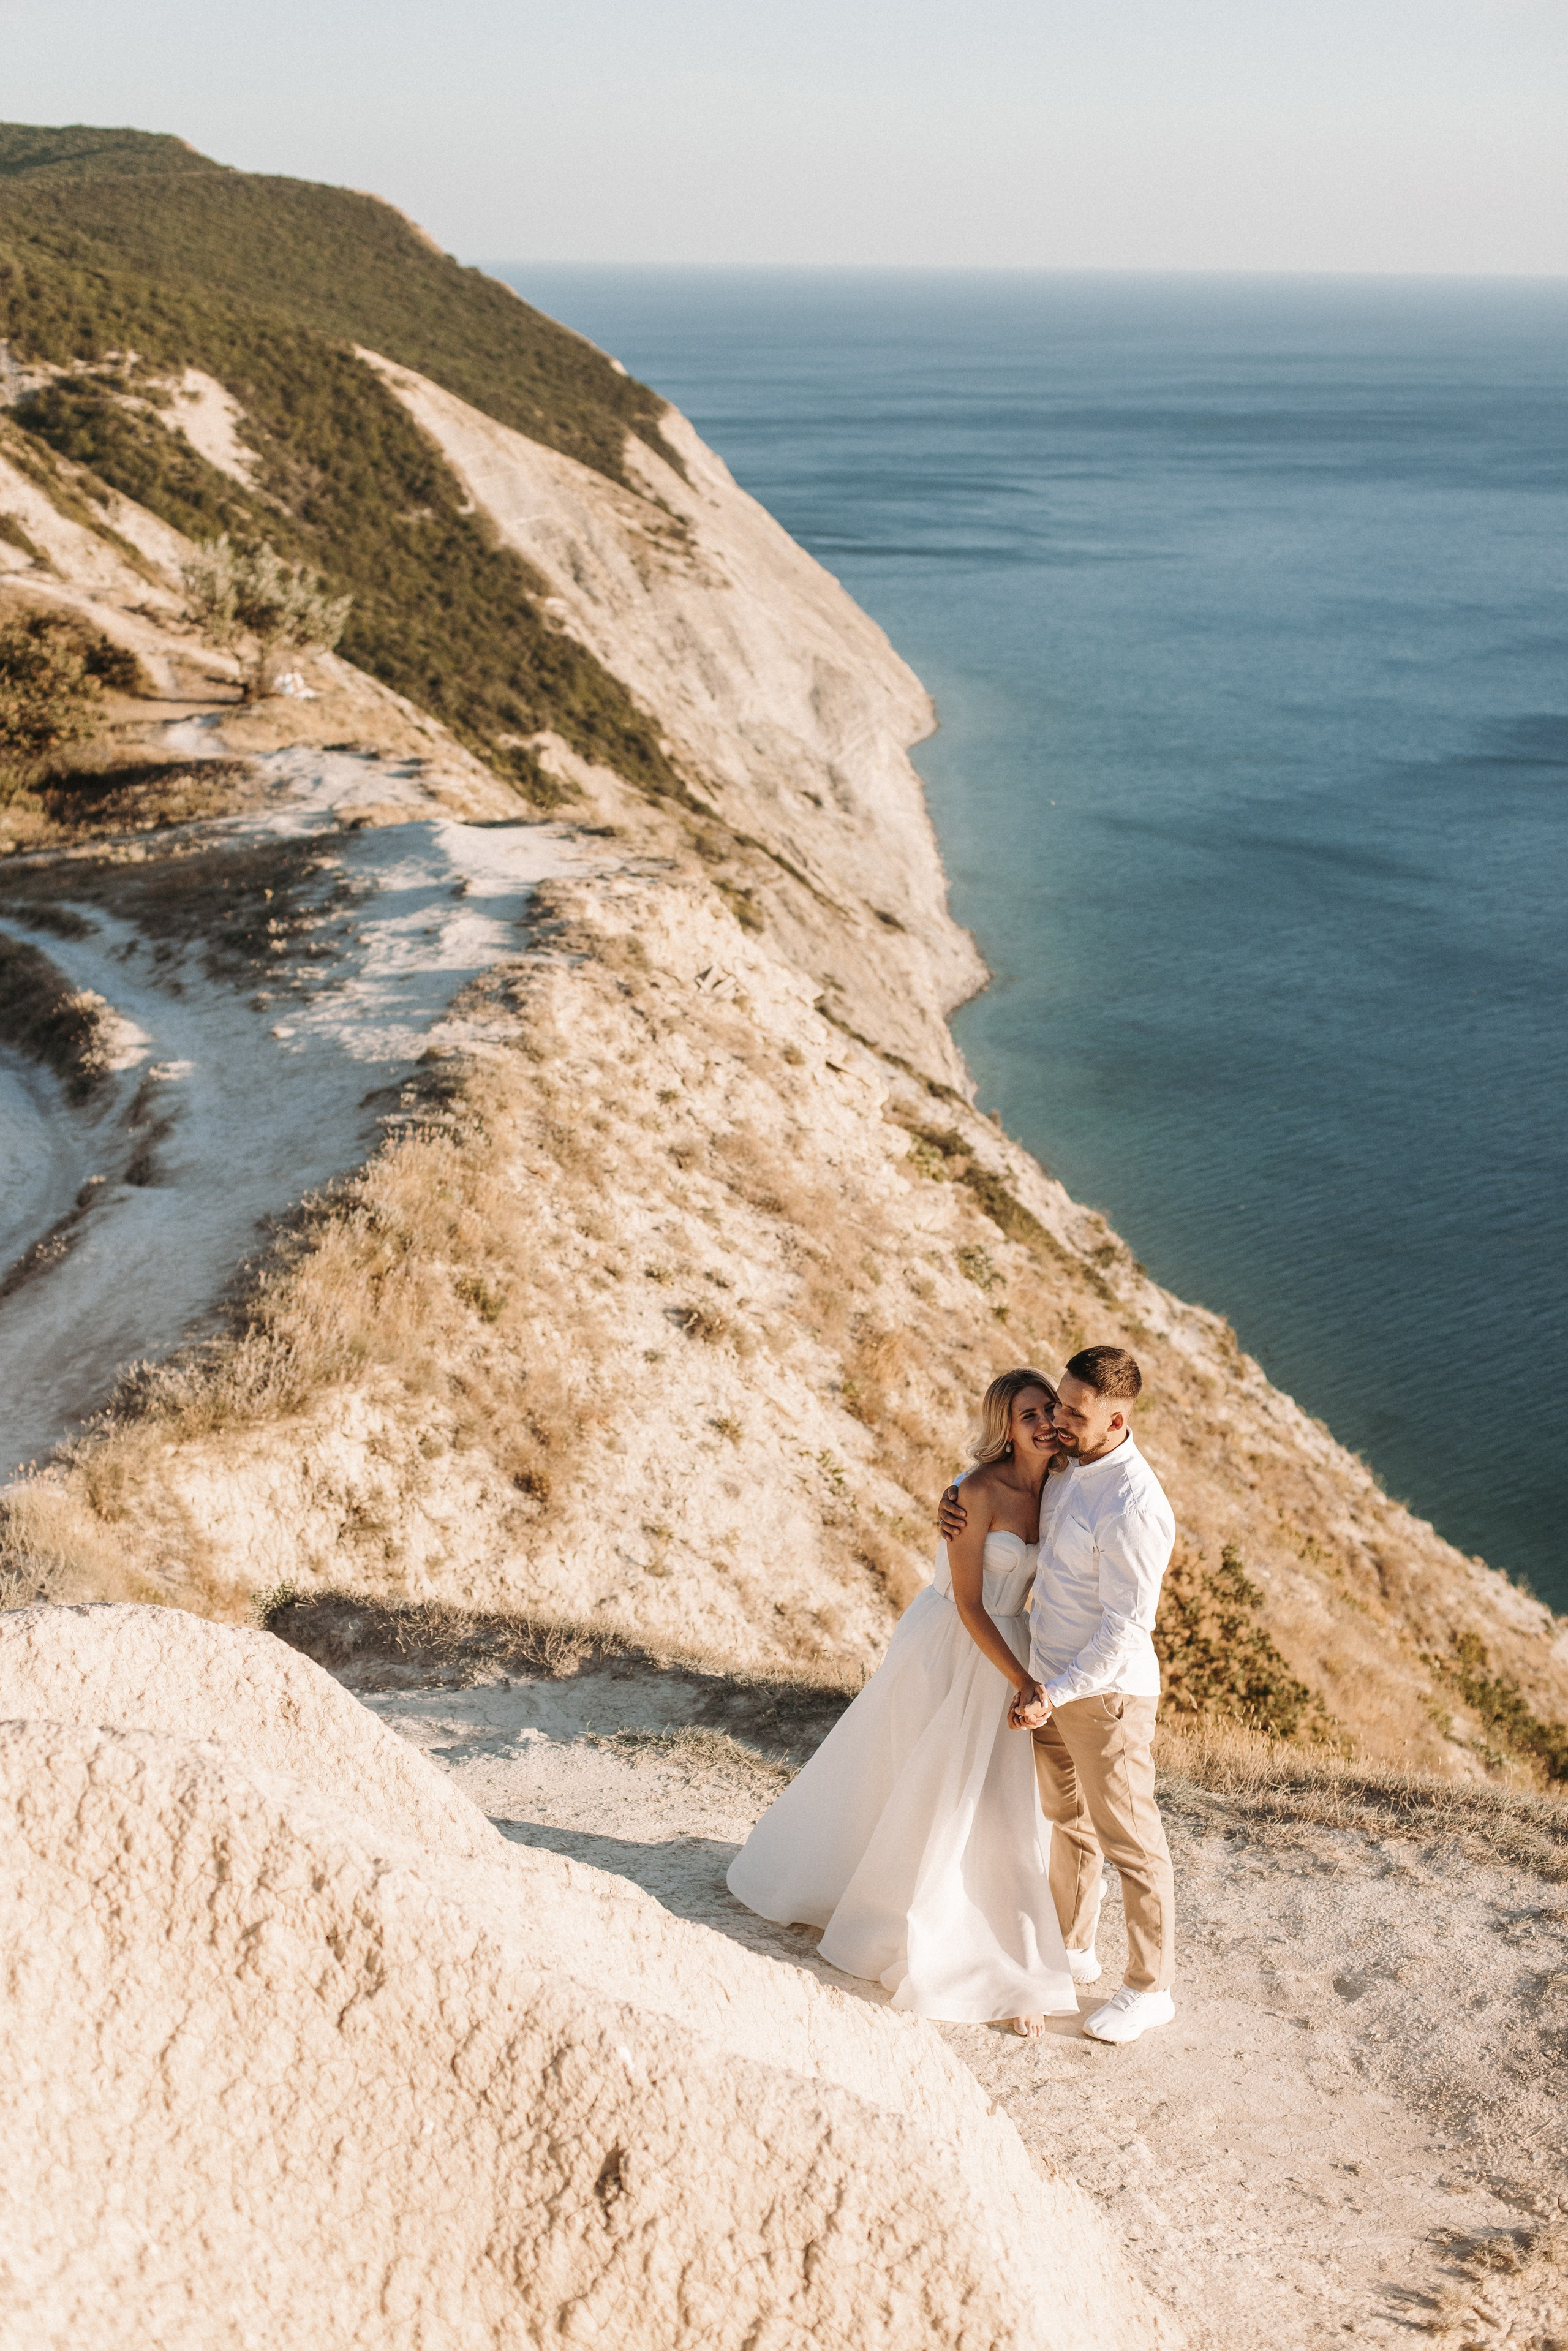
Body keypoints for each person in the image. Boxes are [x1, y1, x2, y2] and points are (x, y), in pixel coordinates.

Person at [726, 1369, 1077, 2032]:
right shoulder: (975, 1491)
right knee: (910, 1779)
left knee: (996, 1802)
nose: (1040, 1423)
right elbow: (972, 1603)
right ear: (1004, 1424)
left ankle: (1009, 1952)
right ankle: (890, 1909)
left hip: (1012, 1647)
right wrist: (1021, 1680)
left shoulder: (1060, 1485)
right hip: (953, 1642)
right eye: (1026, 1413)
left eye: (1047, 1411)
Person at [940, 1344, 1178, 2046]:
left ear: (1116, 1416)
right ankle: (1073, 1948)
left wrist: (1056, 1689)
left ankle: (1149, 1988)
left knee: (1133, 1843)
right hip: (1048, 1680)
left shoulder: (1135, 1502)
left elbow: (1128, 1628)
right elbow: (999, 1494)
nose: (1061, 1421)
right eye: (1059, 1405)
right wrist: (957, 1502)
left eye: (1075, 1412)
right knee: (1068, 1823)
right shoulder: (1071, 1464)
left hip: (1103, 1697)